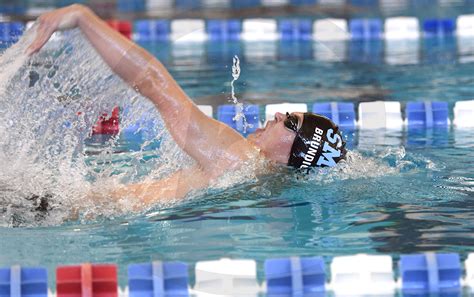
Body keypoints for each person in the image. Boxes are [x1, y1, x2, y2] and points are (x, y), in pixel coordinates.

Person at [27, 4, 346, 207]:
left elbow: (153, 83)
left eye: (290, 122)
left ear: (295, 155)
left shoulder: (235, 157)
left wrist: (83, 17)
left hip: (54, 209)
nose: (278, 114)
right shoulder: (265, 189)